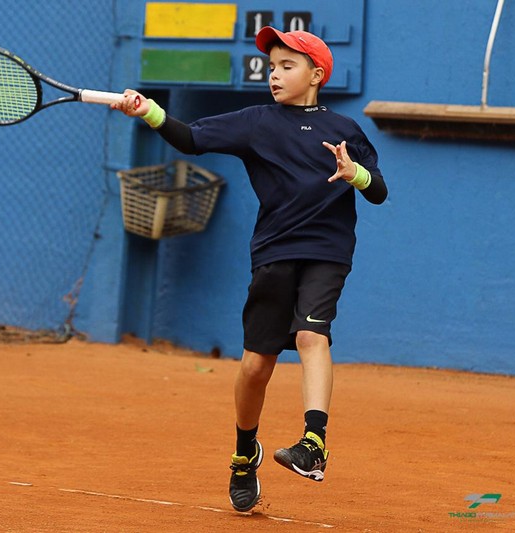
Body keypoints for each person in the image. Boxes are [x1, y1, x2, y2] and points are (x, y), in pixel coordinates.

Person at [112, 26, 388, 512]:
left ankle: (314, 443)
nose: (274, 74)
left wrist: (356, 173)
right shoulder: (256, 122)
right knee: (256, 366)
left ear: (316, 75)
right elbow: (191, 139)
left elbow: (379, 191)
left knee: (312, 336)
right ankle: (244, 454)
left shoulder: (346, 130)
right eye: (272, 66)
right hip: (274, 252)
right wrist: (149, 111)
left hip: (327, 252)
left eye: (287, 66)